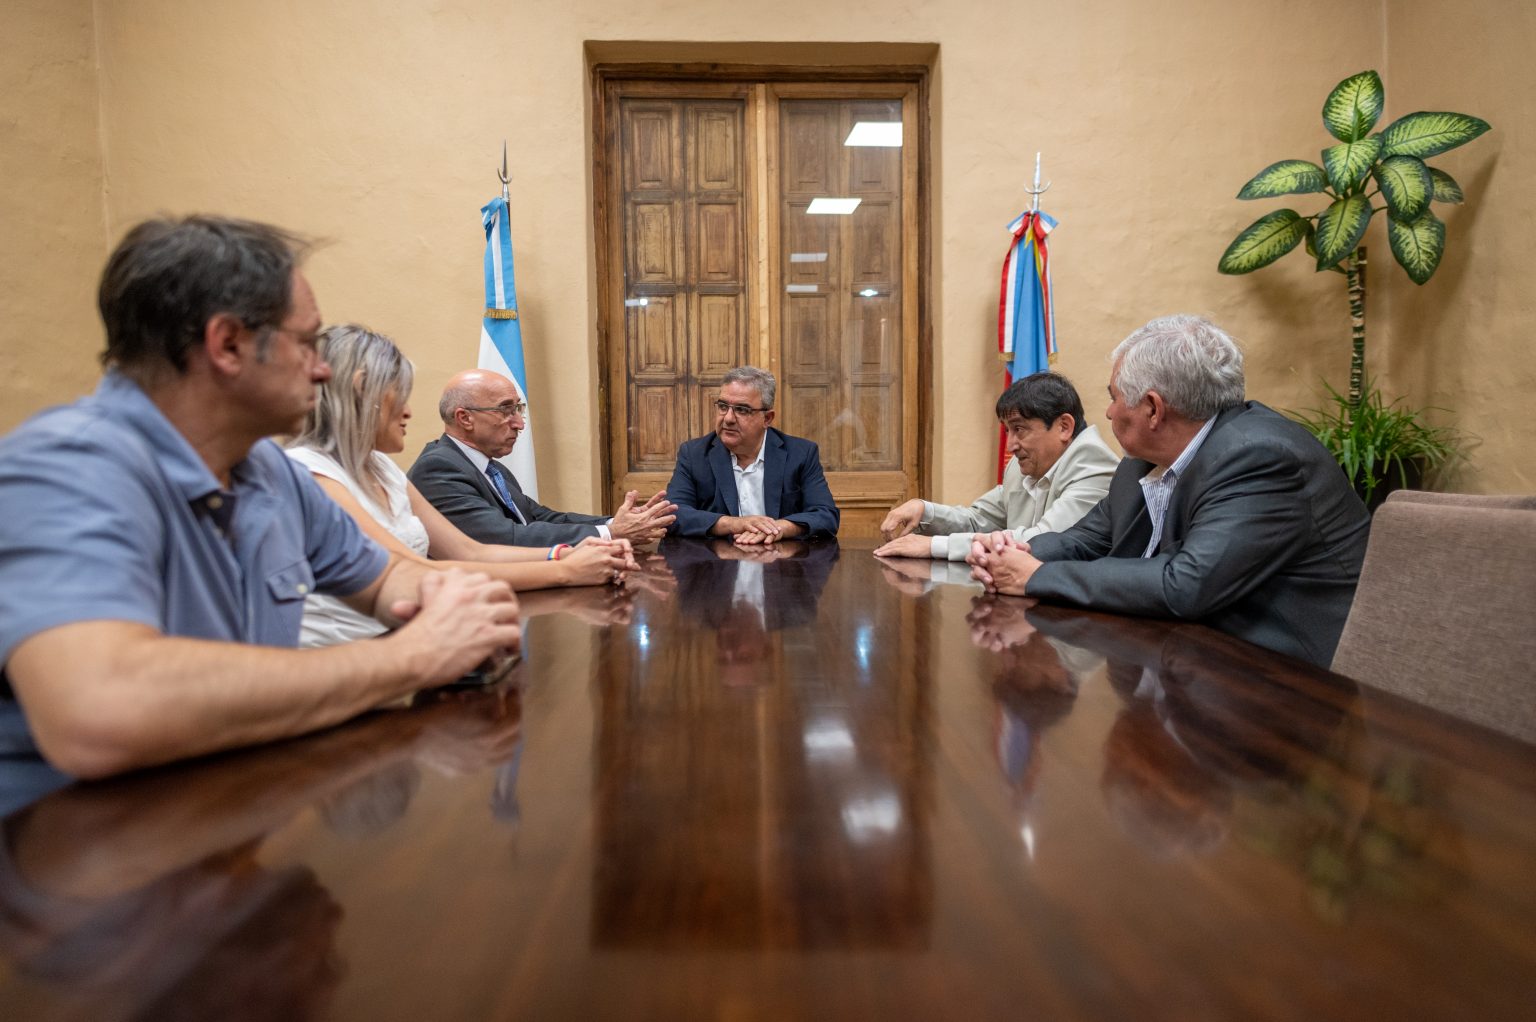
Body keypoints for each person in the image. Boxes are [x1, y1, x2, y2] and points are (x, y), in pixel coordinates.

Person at [0, 215, 522, 780]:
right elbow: (97, 713)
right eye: (306, 343)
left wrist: (460, 603)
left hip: (227, 809)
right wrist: (411, 658)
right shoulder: (65, 469)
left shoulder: (266, 470)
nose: (323, 369)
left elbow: (391, 579)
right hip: (78, 843)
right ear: (227, 345)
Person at [967, 314, 1370, 667]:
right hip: (1187, 660)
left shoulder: (1259, 458)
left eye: (1114, 397)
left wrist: (1037, 577)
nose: (1107, 412)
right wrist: (1010, 556)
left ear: (1153, 409)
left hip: (1288, 686)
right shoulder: (1139, 462)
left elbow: (1186, 584)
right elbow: (1088, 538)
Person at [285, 324, 638, 647]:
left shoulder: (381, 467)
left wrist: (566, 553)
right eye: (399, 395)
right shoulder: (311, 473)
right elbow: (410, 573)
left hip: (399, 641)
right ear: (362, 391)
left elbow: (470, 552)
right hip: (347, 656)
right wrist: (564, 571)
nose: (408, 412)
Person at [409, 369, 676, 547]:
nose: (519, 424)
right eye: (505, 411)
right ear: (464, 418)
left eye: (518, 410)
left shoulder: (491, 468)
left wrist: (612, 522)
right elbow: (502, 537)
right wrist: (612, 534)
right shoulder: (438, 468)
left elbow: (541, 518)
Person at [875, 372, 1118, 560]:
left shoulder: (1094, 465)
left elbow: (1043, 541)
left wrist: (935, 546)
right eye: (1008, 431)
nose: (1011, 445)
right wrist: (925, 510)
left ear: (1064, 427)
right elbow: (978, 520)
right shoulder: (1023, 465)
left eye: (1019, 429)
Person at [665, 366, 840, 545]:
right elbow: (673, 514)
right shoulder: (694, 454)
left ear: (767, 418)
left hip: (780, 563)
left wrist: (779, 528)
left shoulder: (801, 453)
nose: (728, 418)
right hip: (718, 566)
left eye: (742, 410)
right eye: (723, 406)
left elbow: (825, 516)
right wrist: (734, 524)